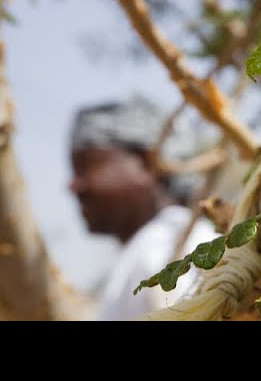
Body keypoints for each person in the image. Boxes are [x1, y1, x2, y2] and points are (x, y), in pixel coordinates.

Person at [68, 96, 220, 320]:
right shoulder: (145, 248)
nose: (74, 185)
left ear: (147, 163)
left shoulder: (165, 247)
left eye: (86, 166)